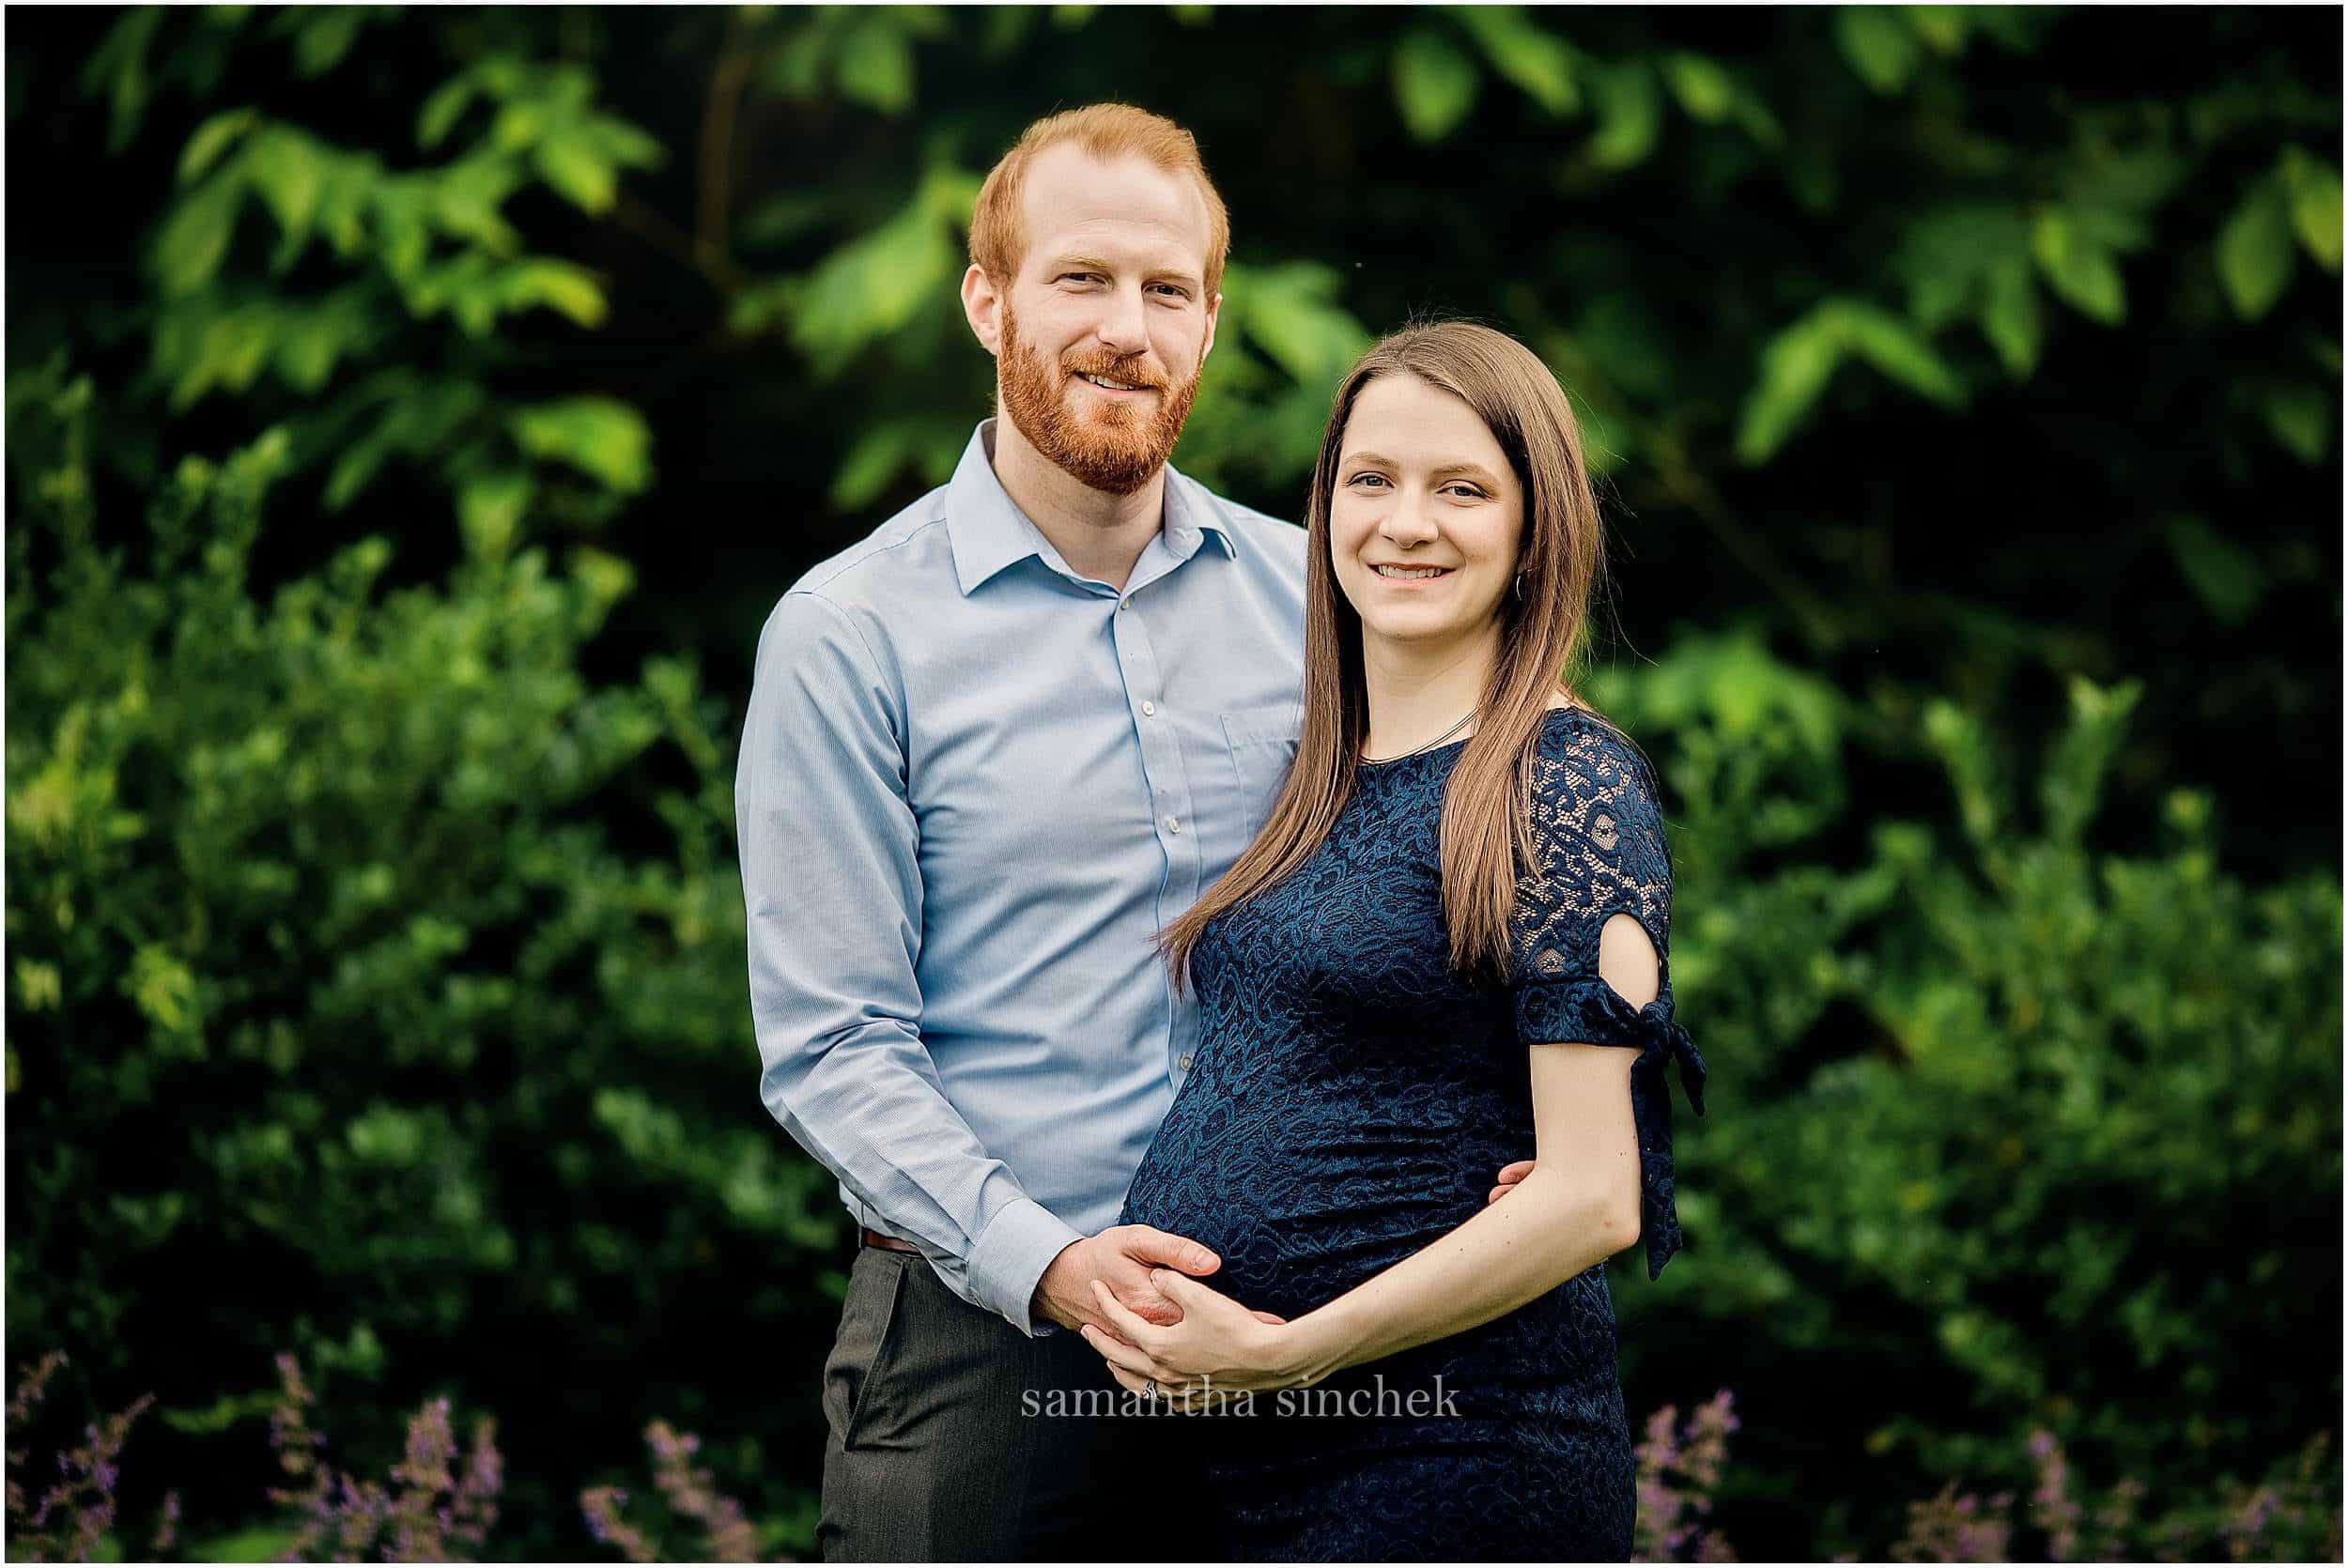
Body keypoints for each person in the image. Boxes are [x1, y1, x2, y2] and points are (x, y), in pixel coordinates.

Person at [734, 108, 1537, 1560]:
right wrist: (1052, 1266)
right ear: (988, 300)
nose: (1128, 328)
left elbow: (1470, 859)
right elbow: (833, 1042)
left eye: (1168, 291)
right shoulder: (851, 636)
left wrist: (1535, 1116)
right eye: (1081, 280)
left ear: (1213, 323)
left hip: (1308, 1335)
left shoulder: (1321, 599)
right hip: (992, 1351)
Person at [1089, 320, 1711, 1561]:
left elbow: (1596, 1194)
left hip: (1446, 1453)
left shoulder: (1562, 777)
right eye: (1371, 480)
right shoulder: (1326, 771)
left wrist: (1284, 1350)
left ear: (1535, 531)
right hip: (1240, 1459)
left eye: (1463, 488)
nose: (1406, 521)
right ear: (1322, 511)